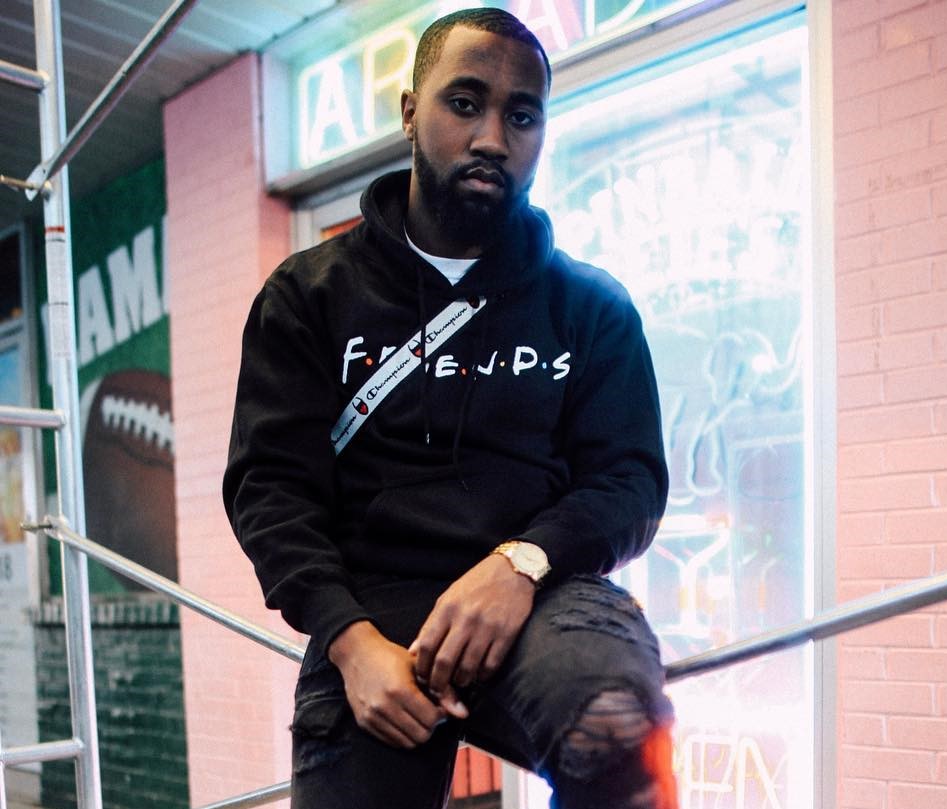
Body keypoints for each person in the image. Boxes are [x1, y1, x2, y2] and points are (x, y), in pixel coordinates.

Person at [223, 8, 677, 808]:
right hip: (370, 610)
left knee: (614, 725)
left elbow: (630, 481)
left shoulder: (589, 305)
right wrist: (348, 641)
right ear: (410, 112)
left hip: (537, 592)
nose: (492, 138)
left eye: (522, 115)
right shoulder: (308, 294)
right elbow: (269, 487)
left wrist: (521, 561)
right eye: (464, 103)